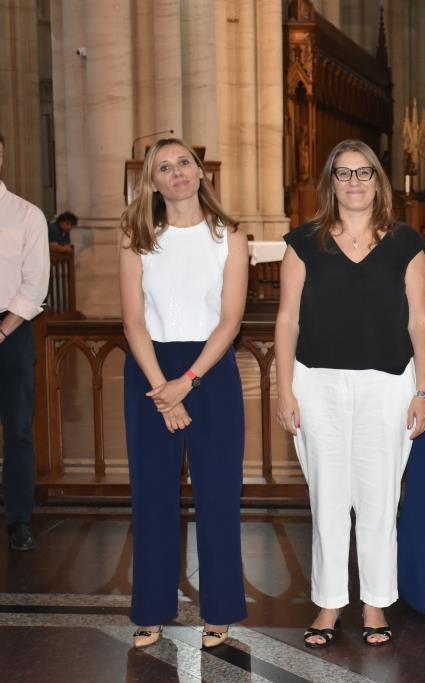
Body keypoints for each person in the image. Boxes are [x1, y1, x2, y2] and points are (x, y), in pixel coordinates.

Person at [275, 139, 425, 649]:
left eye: (363, 172)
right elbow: (287, 319)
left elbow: (420, 321)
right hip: (317, 382)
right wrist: (284, 390)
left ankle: (375, 602)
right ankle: (328, 603)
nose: (354, 182)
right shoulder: (304, 242)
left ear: (377, 180)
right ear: (331, 183)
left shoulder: (406, 243)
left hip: (387, 383)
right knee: (328, 497)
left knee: (379, 498)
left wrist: (423, 390)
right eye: (343, 173)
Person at [119, 137, 249, 649]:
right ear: (152, 182)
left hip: (209, 370)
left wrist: (187, 383)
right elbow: (132, 321)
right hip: (150, 370)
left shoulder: (228, 236)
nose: (177, 173)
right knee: (152, 495)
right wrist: (162, 390)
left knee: (218, 493)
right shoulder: (136, 237)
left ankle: (220, 610)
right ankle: (150, 610)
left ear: (200, 171)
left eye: (184, 163)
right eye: (164, 167)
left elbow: (231, 319)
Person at [0, 132, 49, 552]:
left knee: (17, 428)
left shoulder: (26, 215)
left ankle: (18, 518)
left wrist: (2, 330)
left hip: (10, 330)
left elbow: (35, 286)